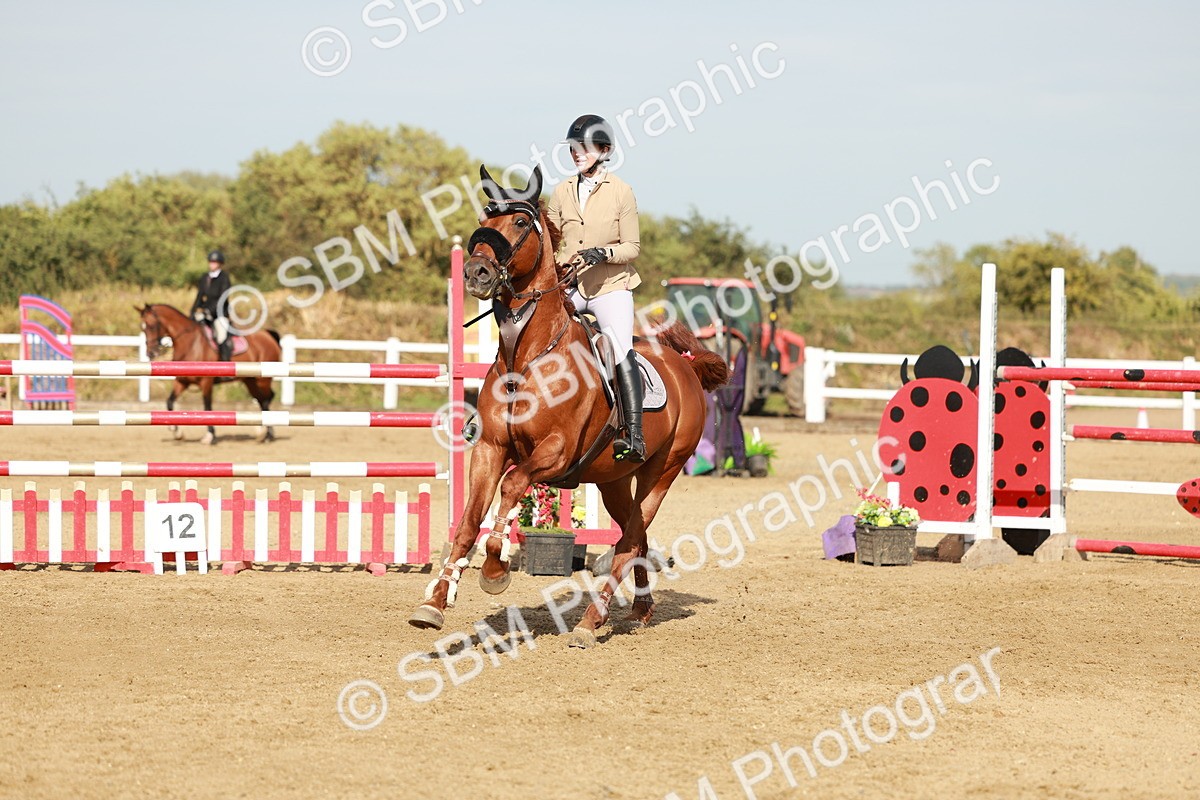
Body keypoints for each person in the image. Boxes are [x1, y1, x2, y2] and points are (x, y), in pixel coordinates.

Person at [546, 114, 644, 462]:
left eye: (583, 147)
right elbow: (552, 242)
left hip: (610, 287)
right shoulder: (561, 192)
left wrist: (603, 252)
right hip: (572, 287)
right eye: (573, 147)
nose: (576, 153)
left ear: (603, 150)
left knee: (619, 349)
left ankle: (634, 434)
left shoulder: (621, 192)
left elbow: (632, 247)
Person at [191, 249, 233, 361]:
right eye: (211, 262)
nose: (212, 264)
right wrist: (193, 312)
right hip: (205, 314)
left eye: (214, 262)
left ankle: (225, 364)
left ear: (220, 264)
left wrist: (209, 311)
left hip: (220, 314)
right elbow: (199, 296)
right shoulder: (205, 277)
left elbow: (222, 298)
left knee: (221, 335)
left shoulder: (224, 278)